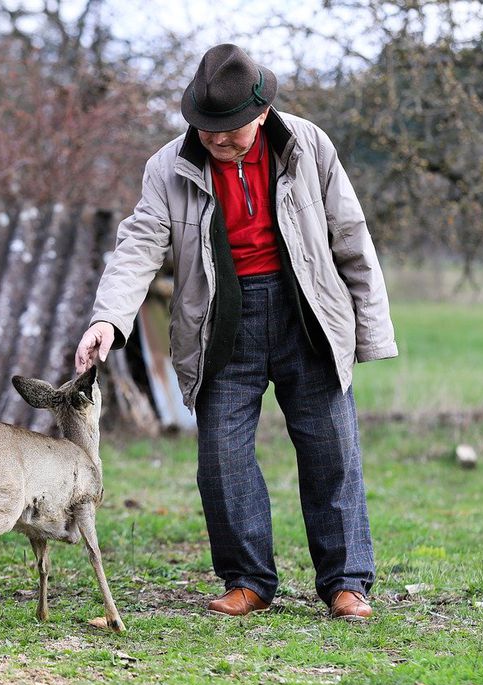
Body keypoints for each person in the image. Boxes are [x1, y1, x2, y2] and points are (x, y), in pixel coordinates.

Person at [75, 44, 397, 620]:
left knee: (332, 452)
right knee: (221, 458)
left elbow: (351, 236)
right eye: (207, 129)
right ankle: (247, 580)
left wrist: (370, 332)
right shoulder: (166, 167)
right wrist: (109, 319)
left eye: (230, 130)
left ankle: (347, 583)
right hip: (220, 322)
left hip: (307, 314)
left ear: (263, 114)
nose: (218, 140)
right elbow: (139, 246)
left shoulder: (308, 145)